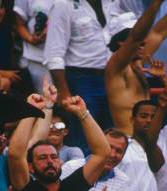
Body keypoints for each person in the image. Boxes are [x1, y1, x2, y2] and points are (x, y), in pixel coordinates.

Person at [105, 0, 167, 134]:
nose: (144, 42)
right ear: (121, 42)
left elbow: (160, 32)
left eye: (143, 40)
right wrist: (156, 3)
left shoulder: (138, 61)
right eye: (140, 40)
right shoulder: (116, 68)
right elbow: (136, 37)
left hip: (149, 141)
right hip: (128, 144)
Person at [44, 0, 116, 151]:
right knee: (84, 138)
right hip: (81, 79)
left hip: (113, 78)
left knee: (111, 135)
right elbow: (54, 55)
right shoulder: (63, 5)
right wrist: (64, 93)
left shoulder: (112, 3)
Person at [13, 0, 54, 92]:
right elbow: (19, 24)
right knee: (41, 102)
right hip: (36, 60)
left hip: (65, 60)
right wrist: (32, 39)